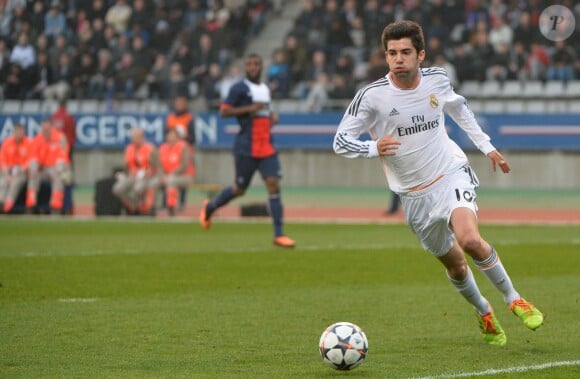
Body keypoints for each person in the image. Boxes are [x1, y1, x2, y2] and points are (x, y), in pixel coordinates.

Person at [333, 20, 543, 346]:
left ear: (420, 55)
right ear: (385, 56)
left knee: (470, 239)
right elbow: (340, 141)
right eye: (391, 53)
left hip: (449, 172)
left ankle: (513, 298)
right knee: (457, 266)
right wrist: (373, 147)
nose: (398, 59)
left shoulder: (437, 80)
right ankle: (483, 310)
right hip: (413, 196)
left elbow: (460, 110)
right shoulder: (371, 97)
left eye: (405, 52)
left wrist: (487, 147)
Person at [199, 53, 295, 248]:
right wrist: (250, 108)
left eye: (256, 64)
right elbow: (224, 111)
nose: (252, 67)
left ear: (261, 66)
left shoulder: (265, 89)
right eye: (249, 64)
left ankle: (279, 234)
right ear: (245, 67)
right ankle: (209, 207)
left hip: (266, 145)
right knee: (239, 189)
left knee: (274, 185)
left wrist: (271, 117)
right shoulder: (239, 88)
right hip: (246, 146)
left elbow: (266, 111)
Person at [28, 119, 72, 214]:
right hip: (43, 169)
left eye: (47, 129)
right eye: (43, 129)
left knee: (58, 178)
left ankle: (55, 207)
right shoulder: (38, 139)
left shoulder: (60, 138)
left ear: (52, 128)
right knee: (33, 176)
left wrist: (57, 169)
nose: (45, 131)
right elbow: (33, 156)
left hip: (58, 169)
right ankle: (31, 205)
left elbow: (63, 156)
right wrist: (34, 168)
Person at [112, 128, 157, 215]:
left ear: (142, 137)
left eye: (137, 137)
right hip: (132, 175)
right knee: (117, 189)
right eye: (133, 137)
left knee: (138, 189)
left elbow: (154, 166)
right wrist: (123, 174)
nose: (134, 139)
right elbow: (127, 165)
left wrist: (147, 171)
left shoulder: (150, 149)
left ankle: (143, 207)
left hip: (145, 176)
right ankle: (133, 204)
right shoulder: (129, 149)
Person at [157, 128, 195, 216]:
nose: (171, 138)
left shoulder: (183, 146)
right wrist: (162, 175)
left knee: (171, 180)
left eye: (173, 135)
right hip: (166, 176)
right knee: (153, 181)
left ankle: (171, 207)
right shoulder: (163, 148)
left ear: (177, 137)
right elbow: (159, 165)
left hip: (185, 176)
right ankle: (147, 209)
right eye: (169, 135)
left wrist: (171, 173)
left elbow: (184, 165)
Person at [0, 124, 33, 213]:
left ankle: (8, 204)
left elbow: (31, 160)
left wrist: (21, 169)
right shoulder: (6, 143)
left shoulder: (29, 143)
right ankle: (1, 202)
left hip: (21, 172)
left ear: (24, 132)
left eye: (21, 131)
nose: (19, 133)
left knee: (15, 183)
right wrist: (7, 174)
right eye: (17, 131)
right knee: (3, 182)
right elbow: (3, 160)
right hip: (8, 171)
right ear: (13, 132)